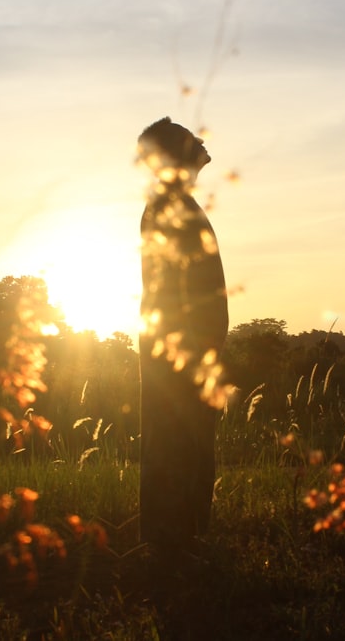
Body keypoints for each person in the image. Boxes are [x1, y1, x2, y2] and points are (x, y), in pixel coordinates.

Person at [137, 117, 229, 551]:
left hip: (184, 346)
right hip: (180, 348)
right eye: (195, 143)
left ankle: (182, 536)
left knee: (185, 442)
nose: (205, 147)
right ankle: (175, 541)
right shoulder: (170, 207)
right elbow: (174, 290)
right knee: (177, 441)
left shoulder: (173, 204)